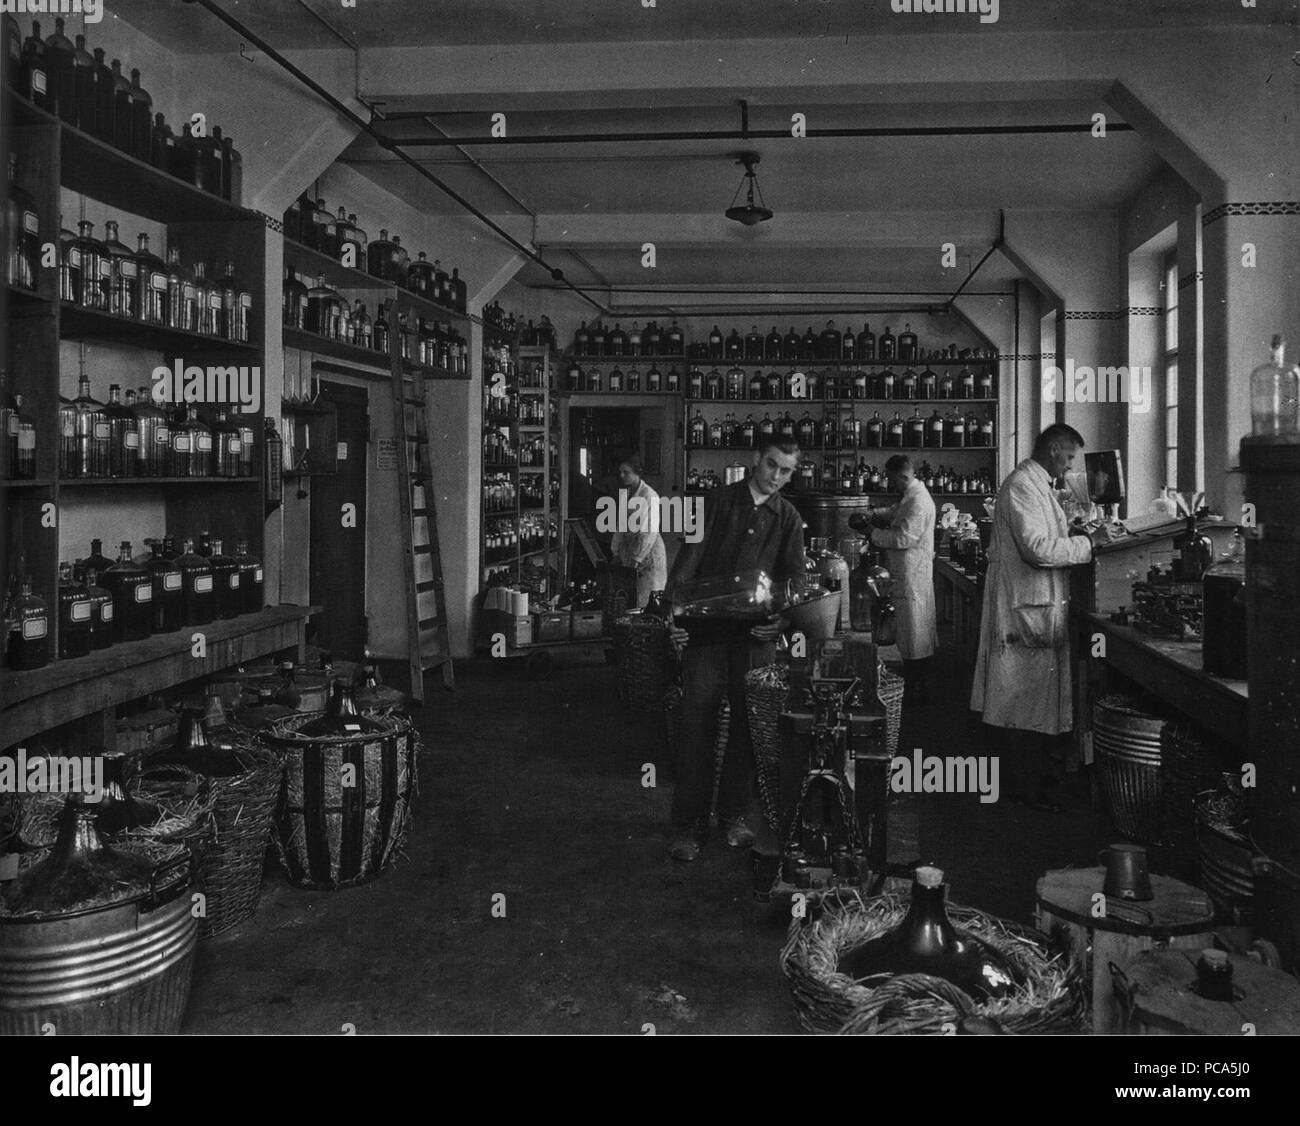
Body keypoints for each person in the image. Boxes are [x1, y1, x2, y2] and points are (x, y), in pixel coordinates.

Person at [664, 440, 806, 862]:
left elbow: (793, 582)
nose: (776, 476)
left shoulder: (789, 519)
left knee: (748, 727)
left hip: (753, 640)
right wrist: (674, 618)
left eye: (785, 471)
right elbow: (687, 562)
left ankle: (733, 816)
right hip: (705, 636)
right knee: (696, 728)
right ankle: (689, 825)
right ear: (756, 461)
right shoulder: (714, 503)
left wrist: (783, 621)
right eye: (771, 465)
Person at [970, 423, 1112, 811]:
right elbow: (1036, 549)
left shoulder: (1038, 486)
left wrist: (1078, 531)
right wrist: (1087, 543)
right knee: (1021, 701)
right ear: (1052, 449)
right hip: (1024, 610)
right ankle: (1024, 790)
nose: (1069, 468)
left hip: (1036, 606)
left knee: (1031, 701)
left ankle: (1033, 782)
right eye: (1068, 459)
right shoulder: (1021, 486)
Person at [849, 454, 937, 704]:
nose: (890, 485)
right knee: (912, 633)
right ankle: (915, 686)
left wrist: (871, 532)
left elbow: (903, 538)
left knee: (914, 634)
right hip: (907, 573)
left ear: (904, 476)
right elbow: (895, 512)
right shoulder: (911, 496)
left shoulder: (918, 501)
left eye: (892, 480)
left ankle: (916, 692)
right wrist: (873, 513)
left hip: (912, 576)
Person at [609, 454, 668, 608]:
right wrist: (615, 552)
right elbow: (620, 526)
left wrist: (637, 558)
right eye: (620, 472)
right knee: (630, 598)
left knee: (647, 599)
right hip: (630, 550)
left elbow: (649, 531)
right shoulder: (626, 494)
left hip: (648, 553)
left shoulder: (649, 495)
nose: (622, 475)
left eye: (626, 472)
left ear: (637, 472)